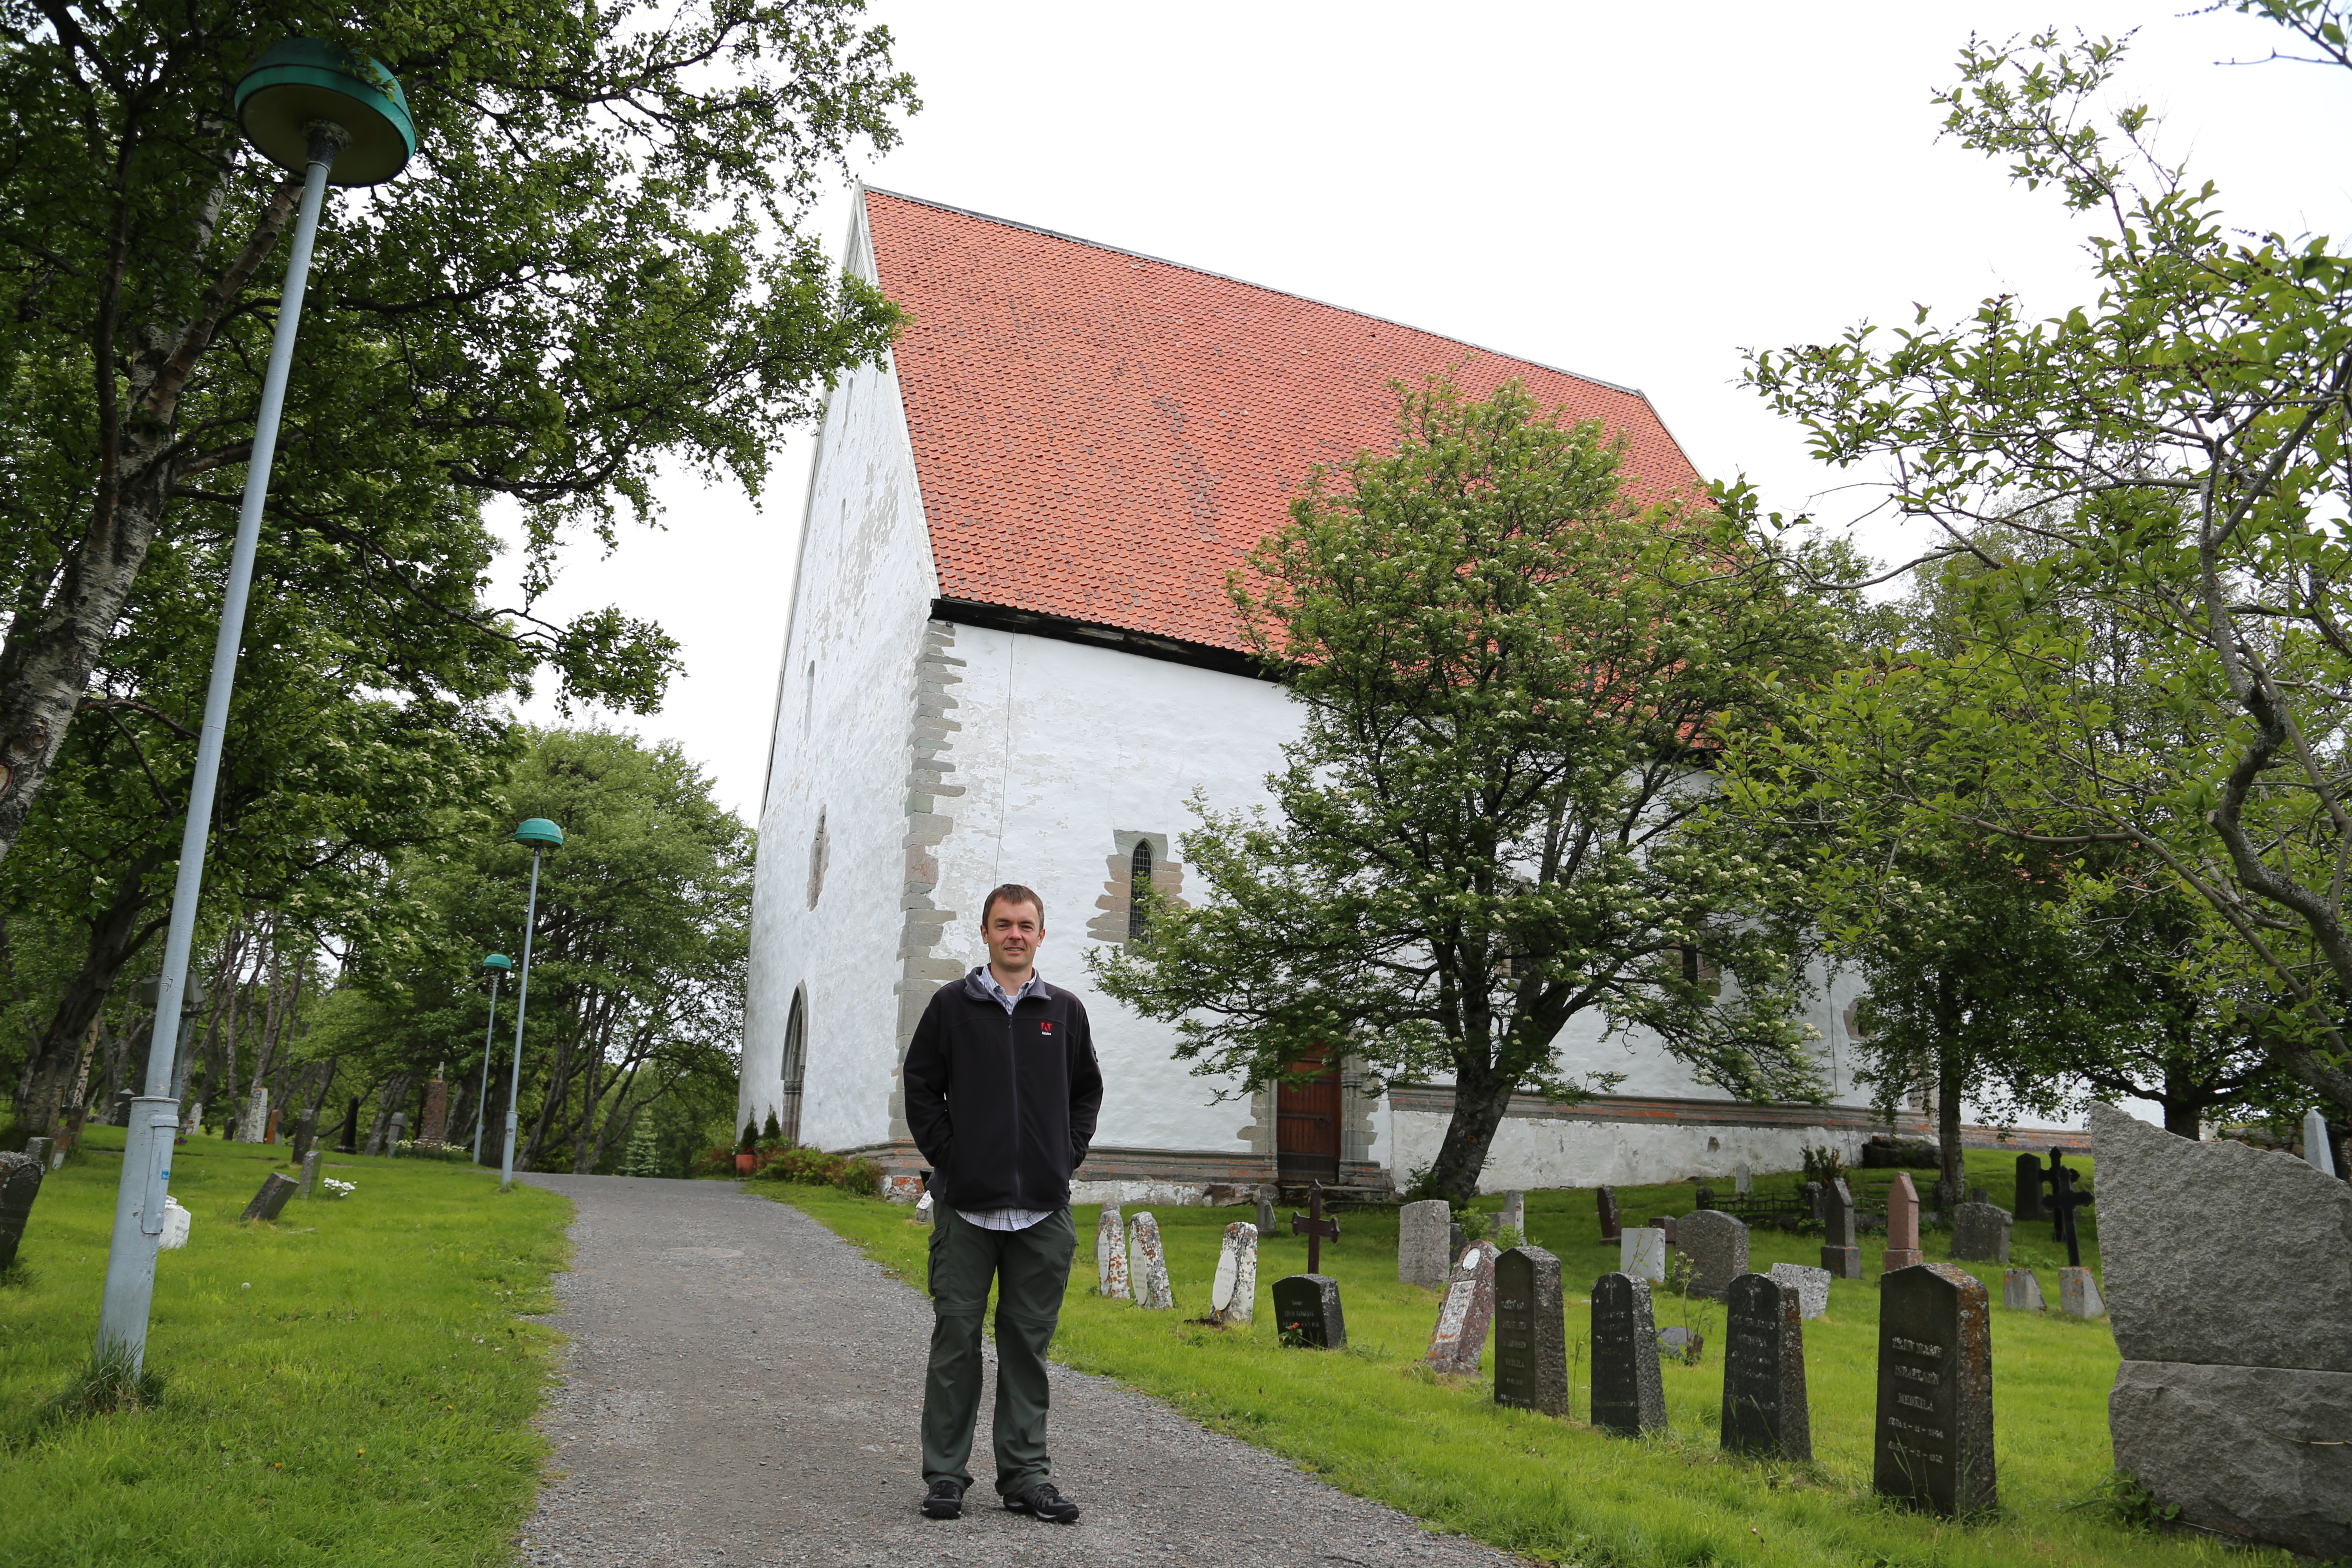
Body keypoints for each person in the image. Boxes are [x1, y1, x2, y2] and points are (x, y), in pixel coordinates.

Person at [901, 882, 1102, 1525]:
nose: (1015, 934)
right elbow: (922, 1088)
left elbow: (1085, 1095)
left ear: (1042, 935)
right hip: (967, 1211)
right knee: (956, 1342)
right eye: (1003, 924)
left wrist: (1062, 1159)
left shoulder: (1065, 1012)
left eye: (1026, 925)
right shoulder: (951, 1008)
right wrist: (953, 1161)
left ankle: (1025, 1477)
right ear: (985, 933)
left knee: (1027, 1348)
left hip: (1042, 1212)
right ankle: (945, 1477)